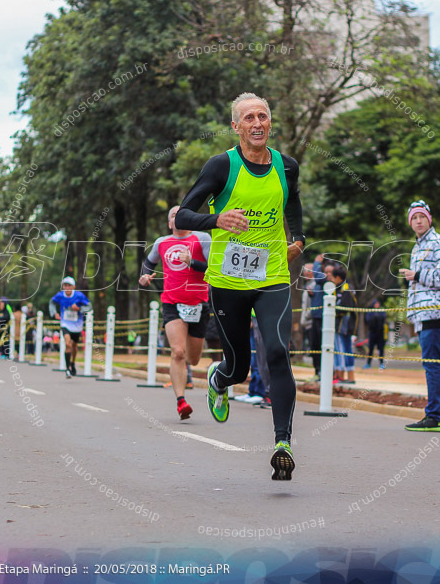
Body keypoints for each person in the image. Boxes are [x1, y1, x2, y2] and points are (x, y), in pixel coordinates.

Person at [174, 92, 305, 480]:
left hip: (272, 276)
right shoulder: (221, 166)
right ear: (236, 127)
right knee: (240, 367)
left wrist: (298, 238)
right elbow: (182, 213)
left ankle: (283, 442)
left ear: (270, 122)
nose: (257, 123)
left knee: (279, 351)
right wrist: (217, 221)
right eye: (249, 117)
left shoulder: (287, 166)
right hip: (228, 280)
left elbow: (293, 202)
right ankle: (220, 377)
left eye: (262, 116)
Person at [140, 205, 212, 418]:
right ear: (169, 223)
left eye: (182, 214)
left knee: (194, 358)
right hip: (172, 302)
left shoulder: (202, 238)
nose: (178, 218)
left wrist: (192, 262)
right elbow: (148, 263)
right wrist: (145, 276)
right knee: (177, 352)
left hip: (199, 302)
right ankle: (181, 401)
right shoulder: (162, 243)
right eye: (174, 215)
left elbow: (212, 267)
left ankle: (193, 377)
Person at [401, 200, 440, 432]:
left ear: (429, 219)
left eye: (422, 216)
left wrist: (416, 275)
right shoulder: (420, 245)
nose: (419, 221)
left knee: (432, 365)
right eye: (414, 218)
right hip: (426, 312)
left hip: (434, 311)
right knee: (436, 364)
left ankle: (435, 415)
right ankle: (439, 415)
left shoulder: (436, 241)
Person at [50, 276, 92, 378]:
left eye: (69, 285)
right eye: (65, 285)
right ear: (63, 287)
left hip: (77, 325)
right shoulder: (60, 295)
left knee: (74, 346)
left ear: (73, 287)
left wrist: (79, 309)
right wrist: (54, 313)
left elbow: (89, 306)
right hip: (65, 324)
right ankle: (67, 368)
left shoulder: (79, 295)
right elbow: (51, 302)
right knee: (67, 343)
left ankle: (72, 363)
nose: (67, 287)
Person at [330, 265, 357, 384]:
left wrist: (331, 310)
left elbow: (345, 308)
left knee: (343, 349)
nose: (331, 280)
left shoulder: (346, 288)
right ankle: (338, 375)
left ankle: (345, 376)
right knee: (339, 349)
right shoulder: (338, 288)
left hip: (344, 325)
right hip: (338, 325)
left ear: (338, 277)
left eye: (333, 277)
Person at [306, 254, 328, 379]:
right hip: (315, 318)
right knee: (314, 346)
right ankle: (317, 371)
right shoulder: (317, 283)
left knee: (323, 346)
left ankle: (324, 373)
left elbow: (320, 278)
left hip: (324, 319)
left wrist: (316, 263)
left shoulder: (324, 279)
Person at [364, 299, 387, 370]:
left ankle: (381, 364)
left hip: (380, 333)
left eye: (378, 303)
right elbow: (367, 320)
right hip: (372, 333)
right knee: (370, 349)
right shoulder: (370, 312)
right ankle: (368, 363)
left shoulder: (381, 312)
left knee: (381, 350)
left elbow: (384, 318)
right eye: (376, 303)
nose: (377, 305)